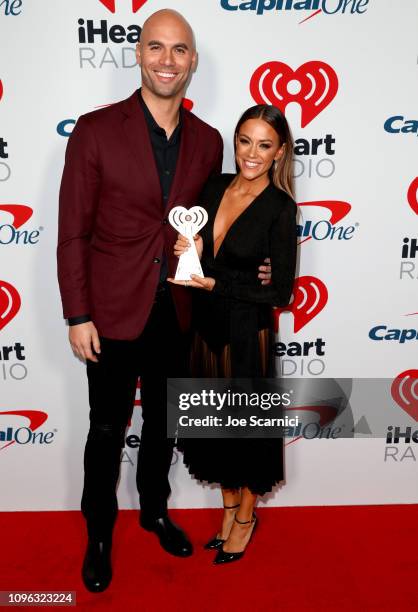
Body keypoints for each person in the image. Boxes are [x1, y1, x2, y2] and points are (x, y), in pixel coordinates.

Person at [57, 9, 271, 592]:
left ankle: (154, 510)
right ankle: (98, 532)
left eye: (180, 50)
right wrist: (78, 314)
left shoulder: (207, 141)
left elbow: (211, 226)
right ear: (139, 54)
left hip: (179, 313)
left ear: (193, 61)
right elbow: (72, 231)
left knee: (164, 427)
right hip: (110, 312)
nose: (167, 60)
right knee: (105, 430)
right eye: (156, 47)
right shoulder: (95, 130)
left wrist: (257, 264)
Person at [169, 104, 297, 564]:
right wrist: (192, 248)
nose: (252, 153)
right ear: (236, 140)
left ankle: (245, 518)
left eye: (265, 145)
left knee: (245, 436)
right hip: (204, 332)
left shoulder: (281, 208)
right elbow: (198, 248)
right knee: (213, 433)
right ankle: (227, 511)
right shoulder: (214, 186)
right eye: (245, 141)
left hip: (247, 338)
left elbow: (281, 291)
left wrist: (216, 282)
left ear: (280, 152)